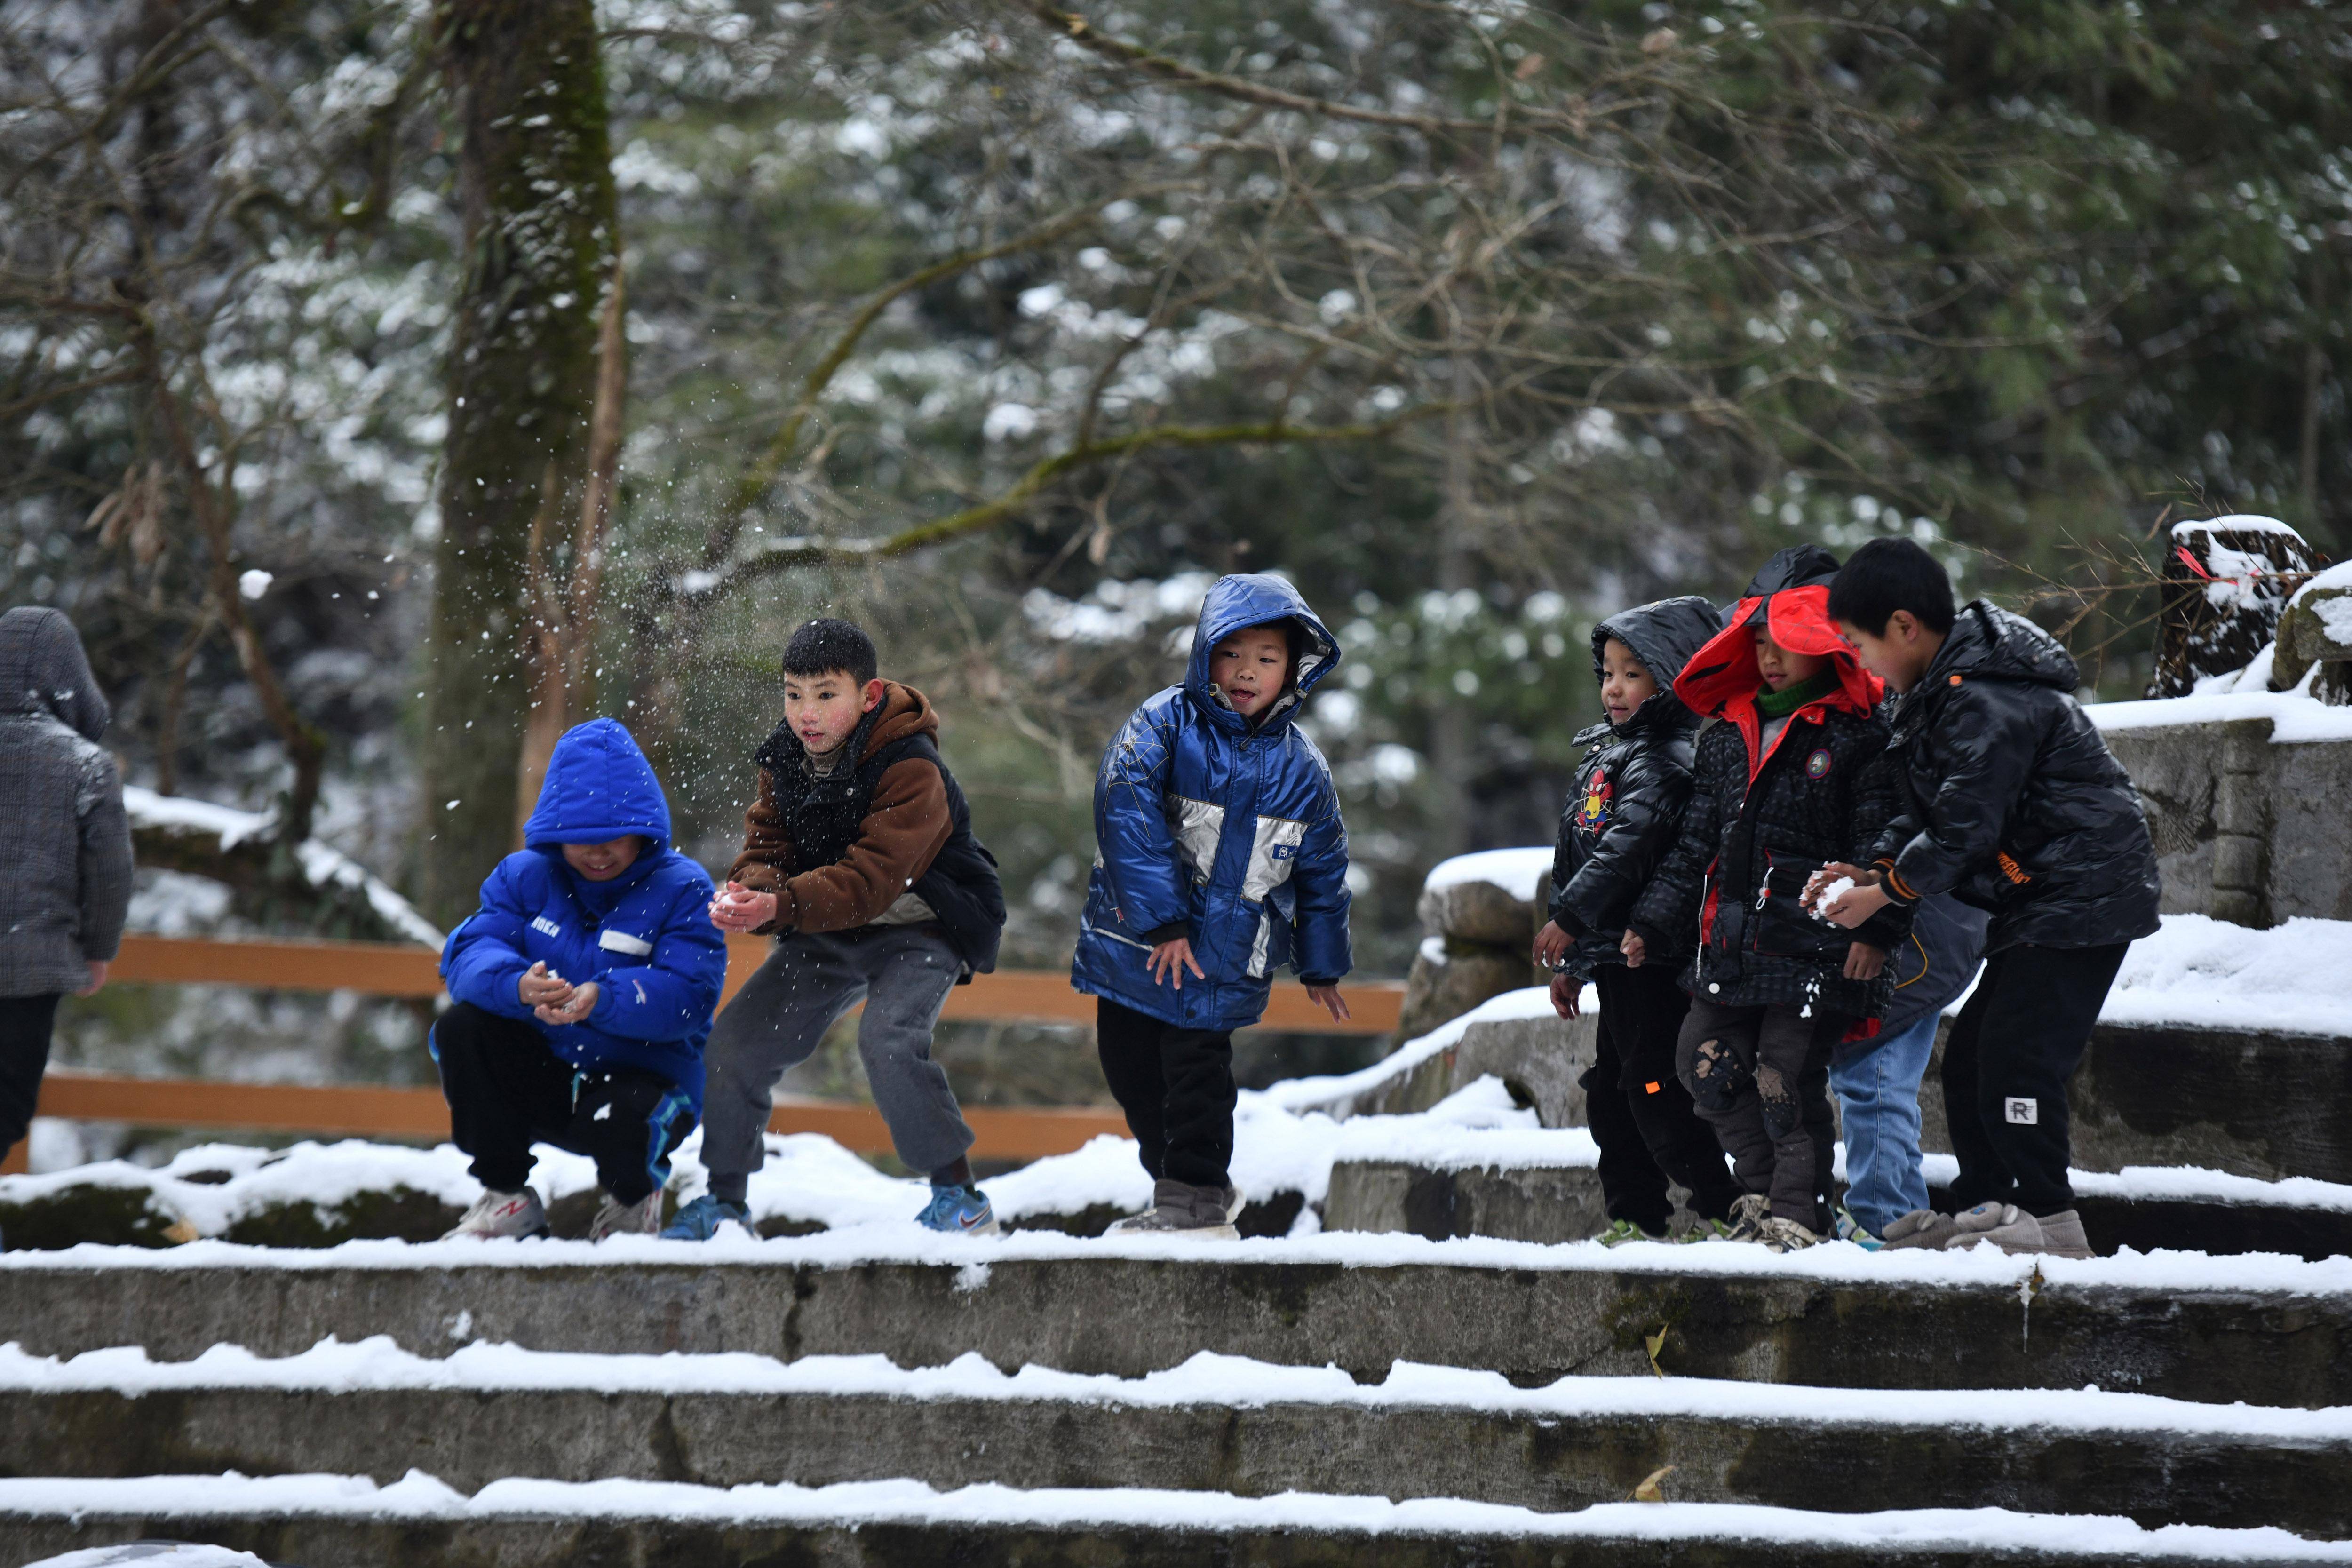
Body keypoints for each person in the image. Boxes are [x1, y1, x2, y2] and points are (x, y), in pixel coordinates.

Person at [1814, 536, 2161, 1259]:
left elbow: (1965, 826)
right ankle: (1987, 1209)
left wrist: (1887, 894)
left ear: (1905, 627)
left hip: (2084, 890)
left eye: (1858, 643)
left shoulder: (1987, 699)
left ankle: (2051, 1221)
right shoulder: (1937, 697)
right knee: (1972, 1056)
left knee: (2015, 1057)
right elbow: (1923, 813)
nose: (1858, 660)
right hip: (2038, 897)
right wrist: (1870, 872)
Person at [670, 618, 1008, 1240]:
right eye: (794, 694)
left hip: (922, 928)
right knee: (735, 1044)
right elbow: (766, 842)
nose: (807, 713)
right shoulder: (785, 759)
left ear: (868, 695)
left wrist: (780, 907)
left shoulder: (912, 767)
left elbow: (872, 878)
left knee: (888, 1039)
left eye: (827, 694)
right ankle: (724, 1202)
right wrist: (754, 891)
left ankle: (959, 1196)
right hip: (827, 929)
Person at [1624, 546, 1910, 1252]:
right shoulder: (1724, 736)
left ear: (1825, 646)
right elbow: (1695, 845)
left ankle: (1799, 1216)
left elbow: (1886, 847)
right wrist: (1650, 921)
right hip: (1731, 943)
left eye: (1785, 643)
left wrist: (1878, 933)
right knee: (1702, 1061)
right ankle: (1759, 1199)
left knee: (1785, 1079)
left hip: (1816, 949)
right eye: (1757, 642)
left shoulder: (1861, 735)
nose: (1770, 657)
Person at [1073, 573, 1352, 1239]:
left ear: (1294, 668)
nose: (1247, 672)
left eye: (1267, 658)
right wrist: (1164, 920)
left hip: (1223, 953)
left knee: (1197, 1075)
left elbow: (1322, 869)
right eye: (1233, 654)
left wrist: (1321, 962)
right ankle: (1194, 1190)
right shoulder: (1164, 724)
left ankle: (1191, 1199)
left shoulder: (1303, 770)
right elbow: (1126, 807)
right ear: (1207, 655)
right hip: (1140, 941)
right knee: (1132, 1070)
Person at [435, 719, 727, 1240]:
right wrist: (515, 986)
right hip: (548, 1073)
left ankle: (632, 1205)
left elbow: (690, 997)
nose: (597, 852)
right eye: (579, 839)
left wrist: (606, 998)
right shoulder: (523, 877)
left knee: (624, 1120)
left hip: (644, 1081)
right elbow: (469, 953)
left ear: (643, 829)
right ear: (554, 834)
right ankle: (507, 1200)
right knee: (462, 1027)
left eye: (613, 836)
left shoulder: (683, 889)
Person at [1531, 596, 1741, 1244]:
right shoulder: (1614, 755)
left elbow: (1628, 848)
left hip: (1653, 956)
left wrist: (1568, 918)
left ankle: (1722, 1206)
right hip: (1611, 958)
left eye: (1632, 673)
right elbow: (1579, 852)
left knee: (1654, 1087)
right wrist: (1574, 960)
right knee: (1611, 1094)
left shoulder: (1665, 760)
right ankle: (1634, 1213)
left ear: (1673, 678)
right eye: (1607, 672)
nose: (1614, 687)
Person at [0, 609, 132, 1177]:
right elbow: (109, 872)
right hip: (30, 967)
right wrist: (98, 949)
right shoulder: (83, 766)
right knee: (6, 1106)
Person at [1827, 890, 1987, 1247]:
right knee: (1882, 1081)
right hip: (1925, 924)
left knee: (1875, 1080)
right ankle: (1904, 1219)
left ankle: (1885, 1222)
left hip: (1904, 929)